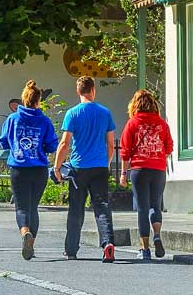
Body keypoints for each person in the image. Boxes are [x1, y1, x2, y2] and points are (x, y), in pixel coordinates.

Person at [53, 76, 117, 263]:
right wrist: (106, 162)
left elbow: (65, 143)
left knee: (76, 209)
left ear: (78, 91)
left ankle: (71, 249)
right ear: (93, 90)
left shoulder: (72, 113)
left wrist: (57, 167)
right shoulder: (105, 113)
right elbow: (111, 144)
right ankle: (107, 244)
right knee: (102, 207)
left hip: (79, 167)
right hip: (99, 166)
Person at [0, 80, 59, 261]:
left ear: (23, 99)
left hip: (19, 168)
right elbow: (52, 145)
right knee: (33, 207)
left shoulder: (13, 119)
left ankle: (25, 232)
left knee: (22, 207)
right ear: (38, 101)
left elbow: (3, 140)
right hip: (39, 169)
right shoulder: (44, 121)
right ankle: (31, 243)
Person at [119, 89, 174, 261]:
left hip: (139, 170)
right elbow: (169, 146)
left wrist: (123, 174)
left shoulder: (132, 123)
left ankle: (145, 248)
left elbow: (125, 151)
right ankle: (157, 234)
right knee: (155, 205)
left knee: (142, 208)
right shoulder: (162, 124)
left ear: (135, 105)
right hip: (158, 170)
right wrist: (158, 156)